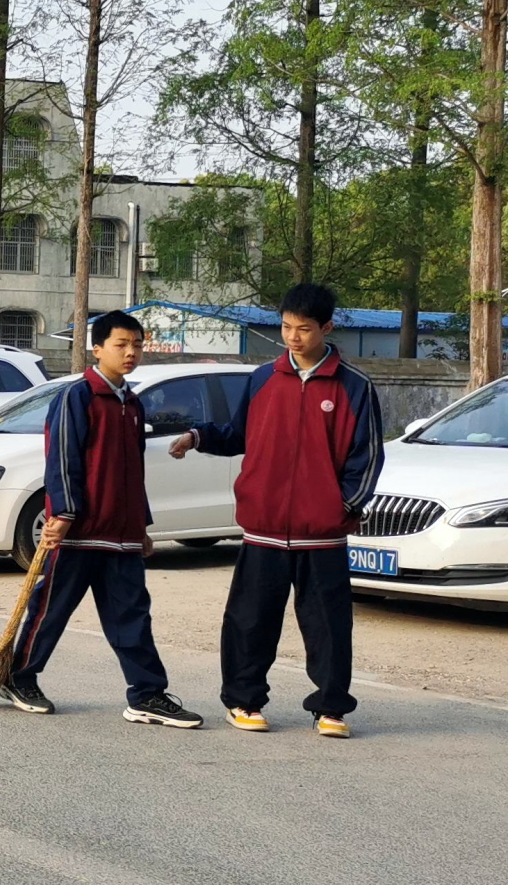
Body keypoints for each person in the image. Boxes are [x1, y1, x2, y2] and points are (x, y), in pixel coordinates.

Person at [170, 283, 384, 738]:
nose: (293, 337)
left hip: (322, 533)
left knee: (328, 626)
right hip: (263, 529)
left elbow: (367, 458)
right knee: (249, 620)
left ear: (326, 327)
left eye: (303, 329)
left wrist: (338, 506)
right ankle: (243, 701)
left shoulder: (355, 386)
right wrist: (199, 437)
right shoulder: (263, 378)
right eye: (286, 327)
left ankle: (331, 707)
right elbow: (238, 433)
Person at [0, 310, 203, 729]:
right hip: (80, 532)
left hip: (122, 536)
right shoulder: (78, 398)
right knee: (51, 609)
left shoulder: (133, 403)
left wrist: (142, 527)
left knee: (133, 616)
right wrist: (64, 513)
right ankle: (19, 677)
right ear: (98, 348)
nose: (131, 353)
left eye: (138, 345)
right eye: (121, 344)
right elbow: (62, 460)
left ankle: (147, 694)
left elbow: (132, 471)